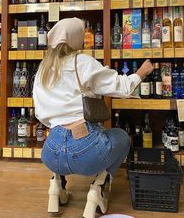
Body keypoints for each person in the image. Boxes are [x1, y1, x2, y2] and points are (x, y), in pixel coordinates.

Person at [33, 17, 154, 218]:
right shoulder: (82, 61)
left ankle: (56, 186)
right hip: (86, 153)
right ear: (76, 38)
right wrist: (141, 73)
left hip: (50, 153)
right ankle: (97, 188)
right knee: (122, 137)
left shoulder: (43, 69)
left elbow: (40, 114)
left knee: (59, 137)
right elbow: (120, 87)